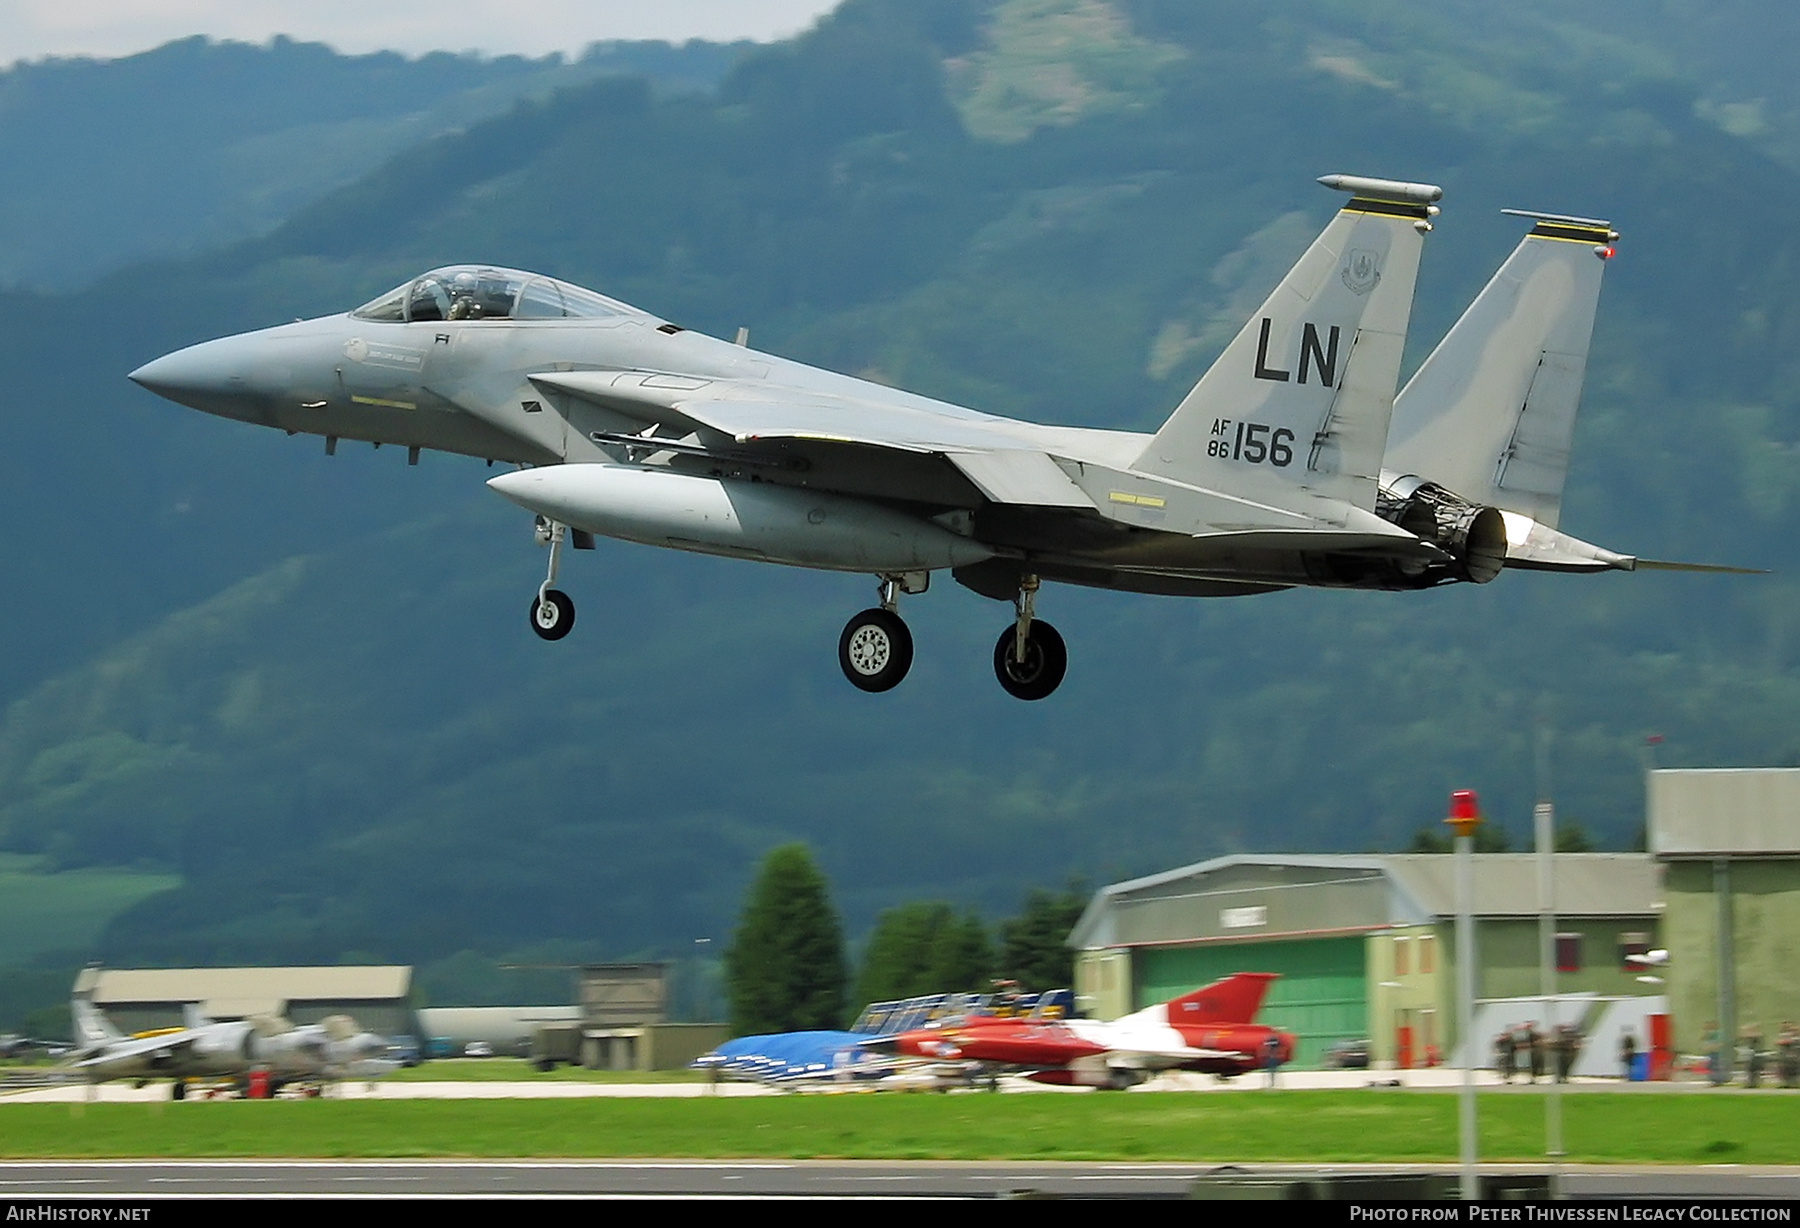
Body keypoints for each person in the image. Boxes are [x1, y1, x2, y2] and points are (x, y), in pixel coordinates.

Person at [1778, 1023, 1799, 1089]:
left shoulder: (1795, 1038)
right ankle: (1788, 1084)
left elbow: (1785, 1042)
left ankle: (1793, 1084)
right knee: (1786, 1071)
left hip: (1794, 1058)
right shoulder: (1789, 1037)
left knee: (1792, 1071)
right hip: (1788, 1058)